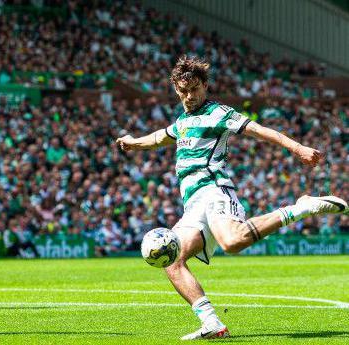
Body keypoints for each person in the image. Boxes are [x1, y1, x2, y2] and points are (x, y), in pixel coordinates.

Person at [116, 56, 347, 340]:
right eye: (182, 92)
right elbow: (161, 137)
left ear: (205, 86)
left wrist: (297, 147)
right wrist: (133, 141)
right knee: (172, 260)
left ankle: (300, 208)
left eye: (194, 90)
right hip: (192, 205)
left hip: (214, 190)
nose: (189, 97)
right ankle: (213, 323)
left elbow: (260, 131)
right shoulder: (183, 121)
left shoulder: (220, 113)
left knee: (233, 242)